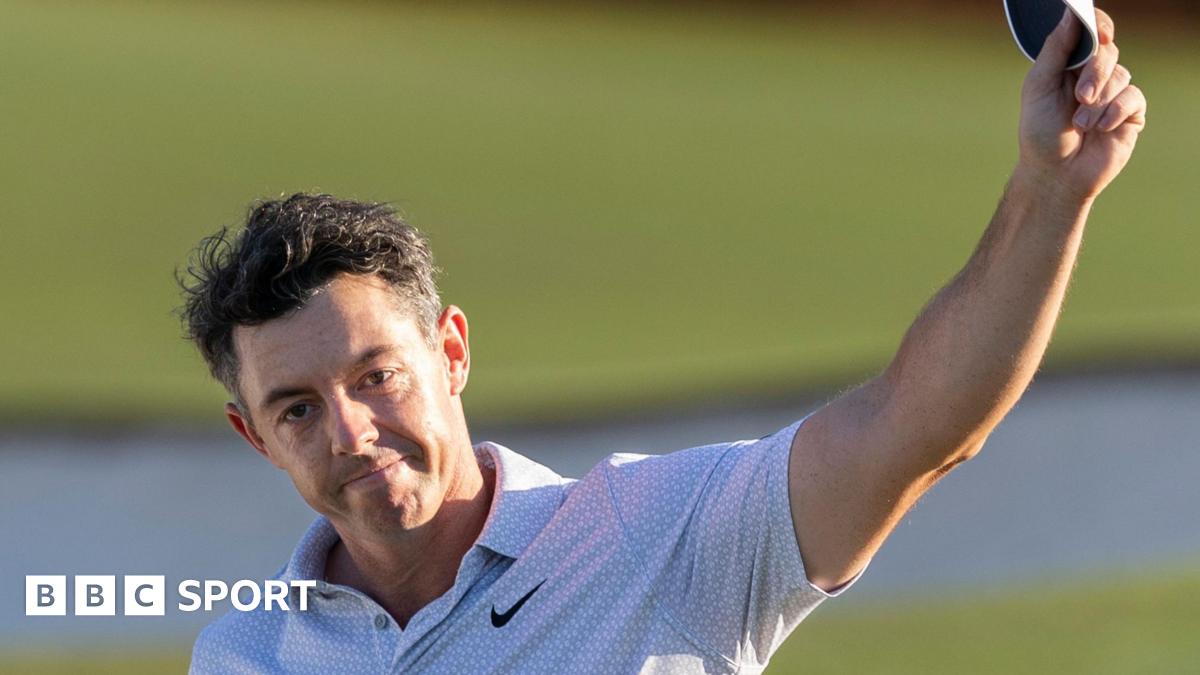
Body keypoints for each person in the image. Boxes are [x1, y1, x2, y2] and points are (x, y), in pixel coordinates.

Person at [183, 8, 1145, 674]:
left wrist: (1050, 191)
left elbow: (916, 423)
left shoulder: (664, 538)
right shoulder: (245, 654)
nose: (351, 433)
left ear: (453, 352)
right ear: (254, 436)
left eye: (378, 375)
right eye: (297, 409)